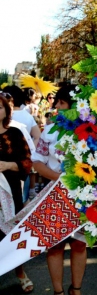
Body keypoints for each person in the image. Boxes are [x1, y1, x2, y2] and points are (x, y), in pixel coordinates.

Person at [32, 85, 86, 295]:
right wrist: (61, 179)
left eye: (62, 103)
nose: (57, 106)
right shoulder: (50, 130)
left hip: (82, 198)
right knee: (54, 246)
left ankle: (76, 290)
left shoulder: (90, 130)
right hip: (54, 195)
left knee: (79, 245)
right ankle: (58, 292)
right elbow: (37, 161)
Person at [0, 93, 34, 293]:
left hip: (10, 192)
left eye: (0, 107)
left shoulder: (14, 133)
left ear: (6, 110)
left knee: (13, 234)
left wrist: (7, 165)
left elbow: (28, 163)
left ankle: (20, 273)